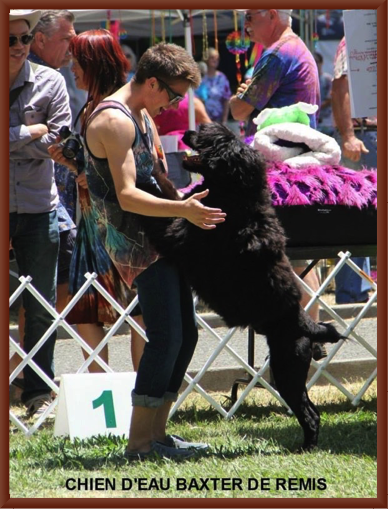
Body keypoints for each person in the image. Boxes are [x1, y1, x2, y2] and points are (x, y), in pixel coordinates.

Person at [78, 42, 226, 459]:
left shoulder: (142, 114)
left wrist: (185, 204)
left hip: (161, 236)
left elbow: (155, 177)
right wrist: (183, 209)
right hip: (134, 243)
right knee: (165, 336)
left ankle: (158, 435)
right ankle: (139, 443)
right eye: (174, 95)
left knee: (186, 333)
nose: (176, 104)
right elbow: (125, 196)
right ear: (153, 83)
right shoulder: (113, 120)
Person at [48, 29, 146, 373]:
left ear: (93, 64)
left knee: (139, 312)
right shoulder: (97, 106)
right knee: (88, 311)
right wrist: (74, 164)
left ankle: (142, 398)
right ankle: (104, 392)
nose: (71, 68)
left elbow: (138, 168)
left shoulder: (119, 109)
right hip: (93, 225)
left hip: (121, 225)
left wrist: (89, 174)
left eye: (77, 62)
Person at [229, 9, 322, 339]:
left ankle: (298, 341)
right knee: (300, 259)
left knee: (288, 258)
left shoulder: (276, 54)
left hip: (281, 168)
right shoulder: (296, 47)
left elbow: (238, 109)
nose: (245, 24)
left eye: (250, 15)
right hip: (303, 163)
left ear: (271, 13)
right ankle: (304, 340)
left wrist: (240, 95)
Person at [9, 10, 77, 389]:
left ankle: (37, 388)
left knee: (41, 305)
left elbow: (60, 143)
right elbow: (43, 141)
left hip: (39, 208)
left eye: (24, 38)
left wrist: (14, 138)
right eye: (11, 40)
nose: (20, 47)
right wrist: (30, 132)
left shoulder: (51, 81)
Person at [331, 37, 375, 304]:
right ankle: (351, 294)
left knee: (362, 215)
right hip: (365, 135)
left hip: (369, 134)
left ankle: (356, 291)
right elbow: (340, 88)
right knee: (356, 214)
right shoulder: (356, 38)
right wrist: (348, 134)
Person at [201, 47, 232, 123]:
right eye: (212, 58)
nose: (215, 60)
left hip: (218, 120)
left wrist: (224, 121)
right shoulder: (200, 77)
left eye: (217, 59)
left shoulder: (222, 78)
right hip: (201, 120)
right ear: (206, 59)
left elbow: (227, 100)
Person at [314, 51, 335, 137]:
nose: (315, 64)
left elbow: (330, 99)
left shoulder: (328, 79)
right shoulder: (308, 80)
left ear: (321, 63)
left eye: (316, 61)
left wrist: (316, 107)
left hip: (326, 122)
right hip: (313, 122)